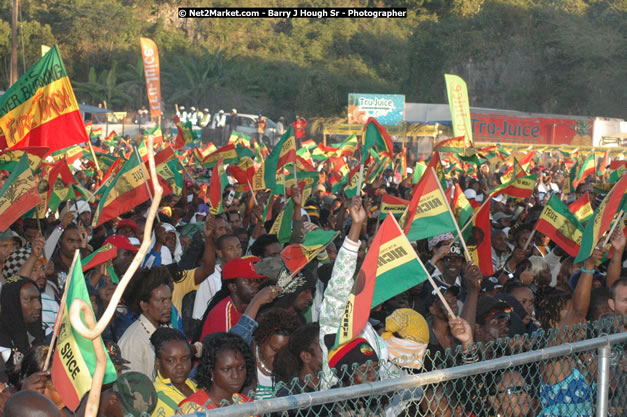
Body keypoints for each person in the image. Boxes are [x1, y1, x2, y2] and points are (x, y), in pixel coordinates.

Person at [178, 332, 255, 412]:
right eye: (226, 369)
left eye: (241, 368)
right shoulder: (194, 408)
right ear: (211, 371)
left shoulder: (245, 403)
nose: (235, 375)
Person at [118, 266, 173, 377]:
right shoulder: (133, 342)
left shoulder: (168, 329)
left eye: (169, 300)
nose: (168, 306)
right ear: (144, 305)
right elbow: (132, 388)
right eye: (162, 301)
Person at [0, 276, 44, 370]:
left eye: (38, 299)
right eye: (29, 300)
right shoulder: (2, 341)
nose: (38, 306)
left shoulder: (42, 333)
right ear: (12, 303)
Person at [151, 328, 197, 416]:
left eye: (185, 359)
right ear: (158, 363)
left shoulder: (194, 385)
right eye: (171, 360)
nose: (179, 366)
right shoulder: (158, 398)